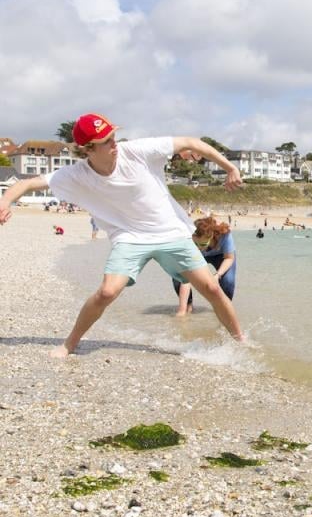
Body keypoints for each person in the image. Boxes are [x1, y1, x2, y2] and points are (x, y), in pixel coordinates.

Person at [0, 112, 244, 357]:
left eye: (113, 136)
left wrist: (230, 168)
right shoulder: (76, 175)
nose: (114, 142)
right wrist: (6, 201)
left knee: (212, 288)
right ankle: (69, 344)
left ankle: (240, 343)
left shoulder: (136, 151)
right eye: (106, 140)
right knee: (107, 292)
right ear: (87, 149)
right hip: (130, 238)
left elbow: (191, 142)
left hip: (170, 232)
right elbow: (28, 183)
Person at [173, 216, 236, 316]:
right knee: (178, 276)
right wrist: (182, 310)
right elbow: (185, 279)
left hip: (221, 256)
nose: (198, 248)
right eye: (195, 244)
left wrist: (217, 275)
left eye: (202, 244)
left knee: (228, 280)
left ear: (211, 236)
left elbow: (229, 258)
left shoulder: (224, 234)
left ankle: (224, 309)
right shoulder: (188, 237)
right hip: (199, 257)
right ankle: (188, 306)